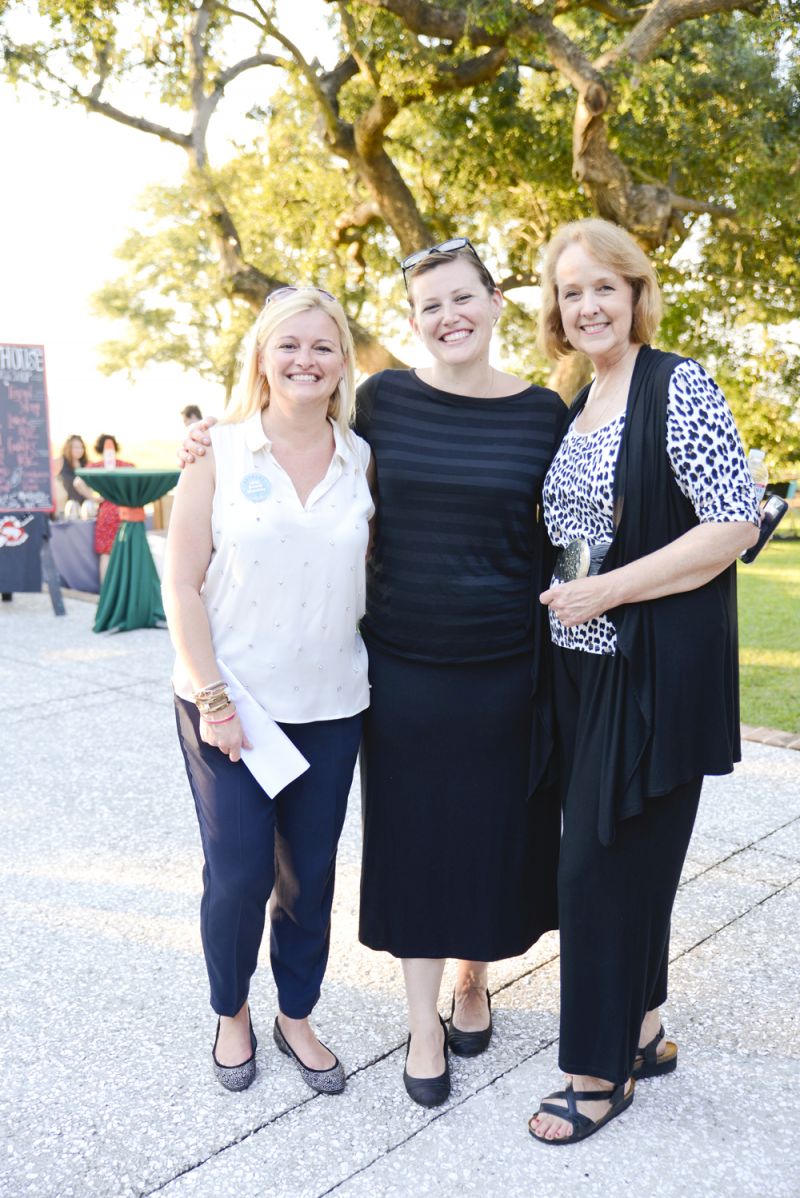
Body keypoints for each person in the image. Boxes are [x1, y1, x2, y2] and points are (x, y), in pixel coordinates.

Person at [181, 239, 563, 1107]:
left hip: (494, 665)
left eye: (463, 298)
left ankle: (473, 980)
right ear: (413, 322)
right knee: (386, 850)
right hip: (392, 671)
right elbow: (276, 439)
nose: (448, 316)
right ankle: (378, 1020)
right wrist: (208, 439)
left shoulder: (544, 412)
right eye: (430, 306)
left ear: (496, 302)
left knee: (477, 840)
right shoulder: (384, 404)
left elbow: (573, 523)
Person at [528, 218, 760, 1144]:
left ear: (635, 294)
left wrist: (608, 591)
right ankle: (648, 1031)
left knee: (595, 870)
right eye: (570, 292)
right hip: (582, 677)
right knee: (625, 863)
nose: (586, 305)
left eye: (602, 288)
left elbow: (734, 523)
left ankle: (596, 1070)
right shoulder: (580, 397)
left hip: (656, 674)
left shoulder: (677, 385)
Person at [162, 286, 374, 1096]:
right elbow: (181, 584)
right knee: (242, 873)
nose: (305, 360)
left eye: (323, 346)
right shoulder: (217, 451)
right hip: (230, 706)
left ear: (343, 362)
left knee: (309, 876)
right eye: (289, 345)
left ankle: (296, 1014)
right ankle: (231, 1011)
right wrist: (213, 697)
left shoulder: (361, 457)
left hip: (330, 706)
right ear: (261, 356)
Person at [85, 434, 134, 583]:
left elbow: (77, 482)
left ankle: (105, 593)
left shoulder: (95, 467)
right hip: (125, 511)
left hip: (106, 511)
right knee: (125, 553)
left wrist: (93, 497)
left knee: (106, 554)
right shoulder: (126, 466)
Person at [54, 435, 94, 514]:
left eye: (81, 447)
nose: (79, 450)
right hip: (65, 509)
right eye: (76, 447)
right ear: (68, 448)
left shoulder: (87, 464)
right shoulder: (60, 461)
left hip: (85, 509)